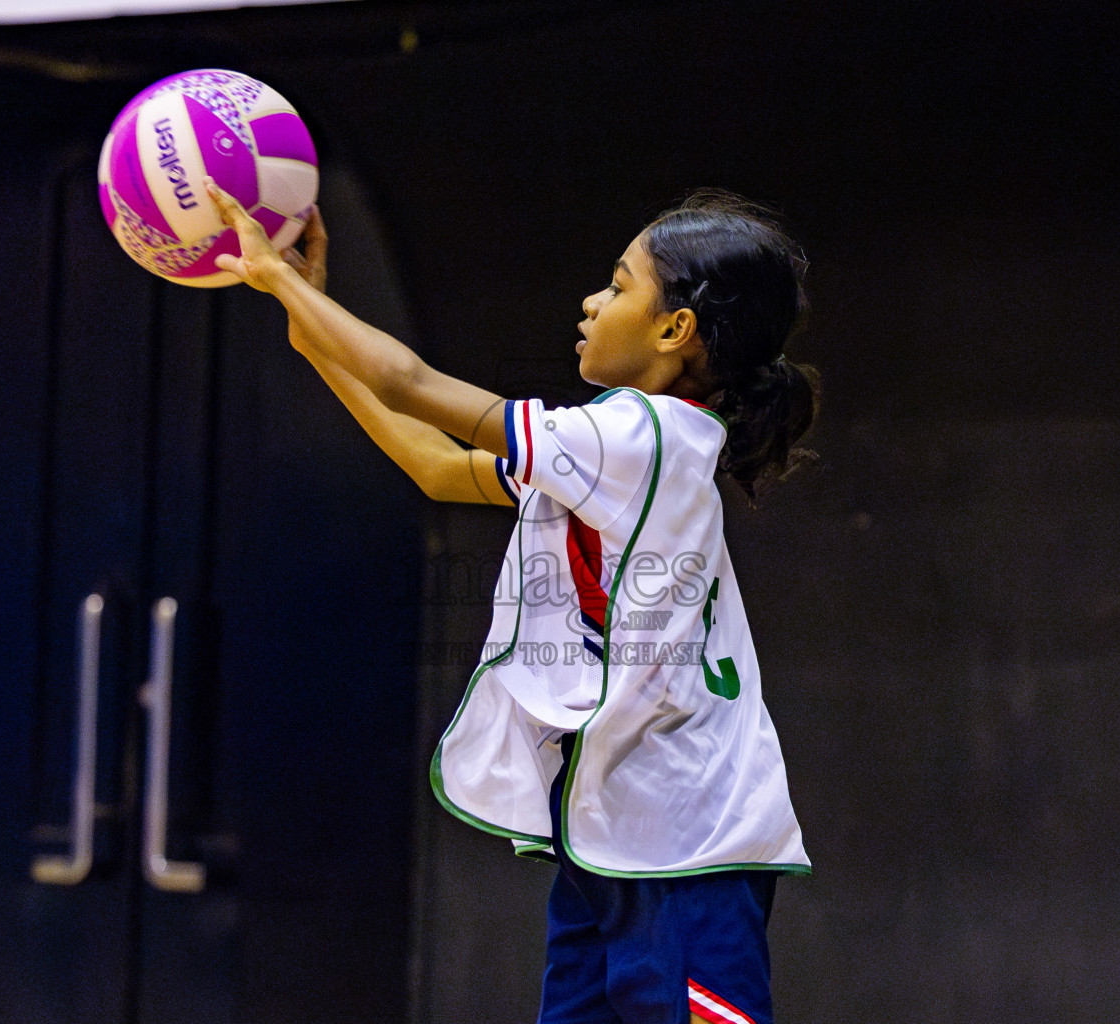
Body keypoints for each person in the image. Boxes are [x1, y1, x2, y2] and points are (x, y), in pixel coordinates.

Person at [206, 178, 817, 1024]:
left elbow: (411, 382)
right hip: (612, 840)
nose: (591, 302)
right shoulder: (612, 447)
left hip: (690, 848)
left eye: (618, 287)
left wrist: (278, 279)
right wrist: (311, 326)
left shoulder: (639, 437)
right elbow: (436, 465)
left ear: (675, 330)